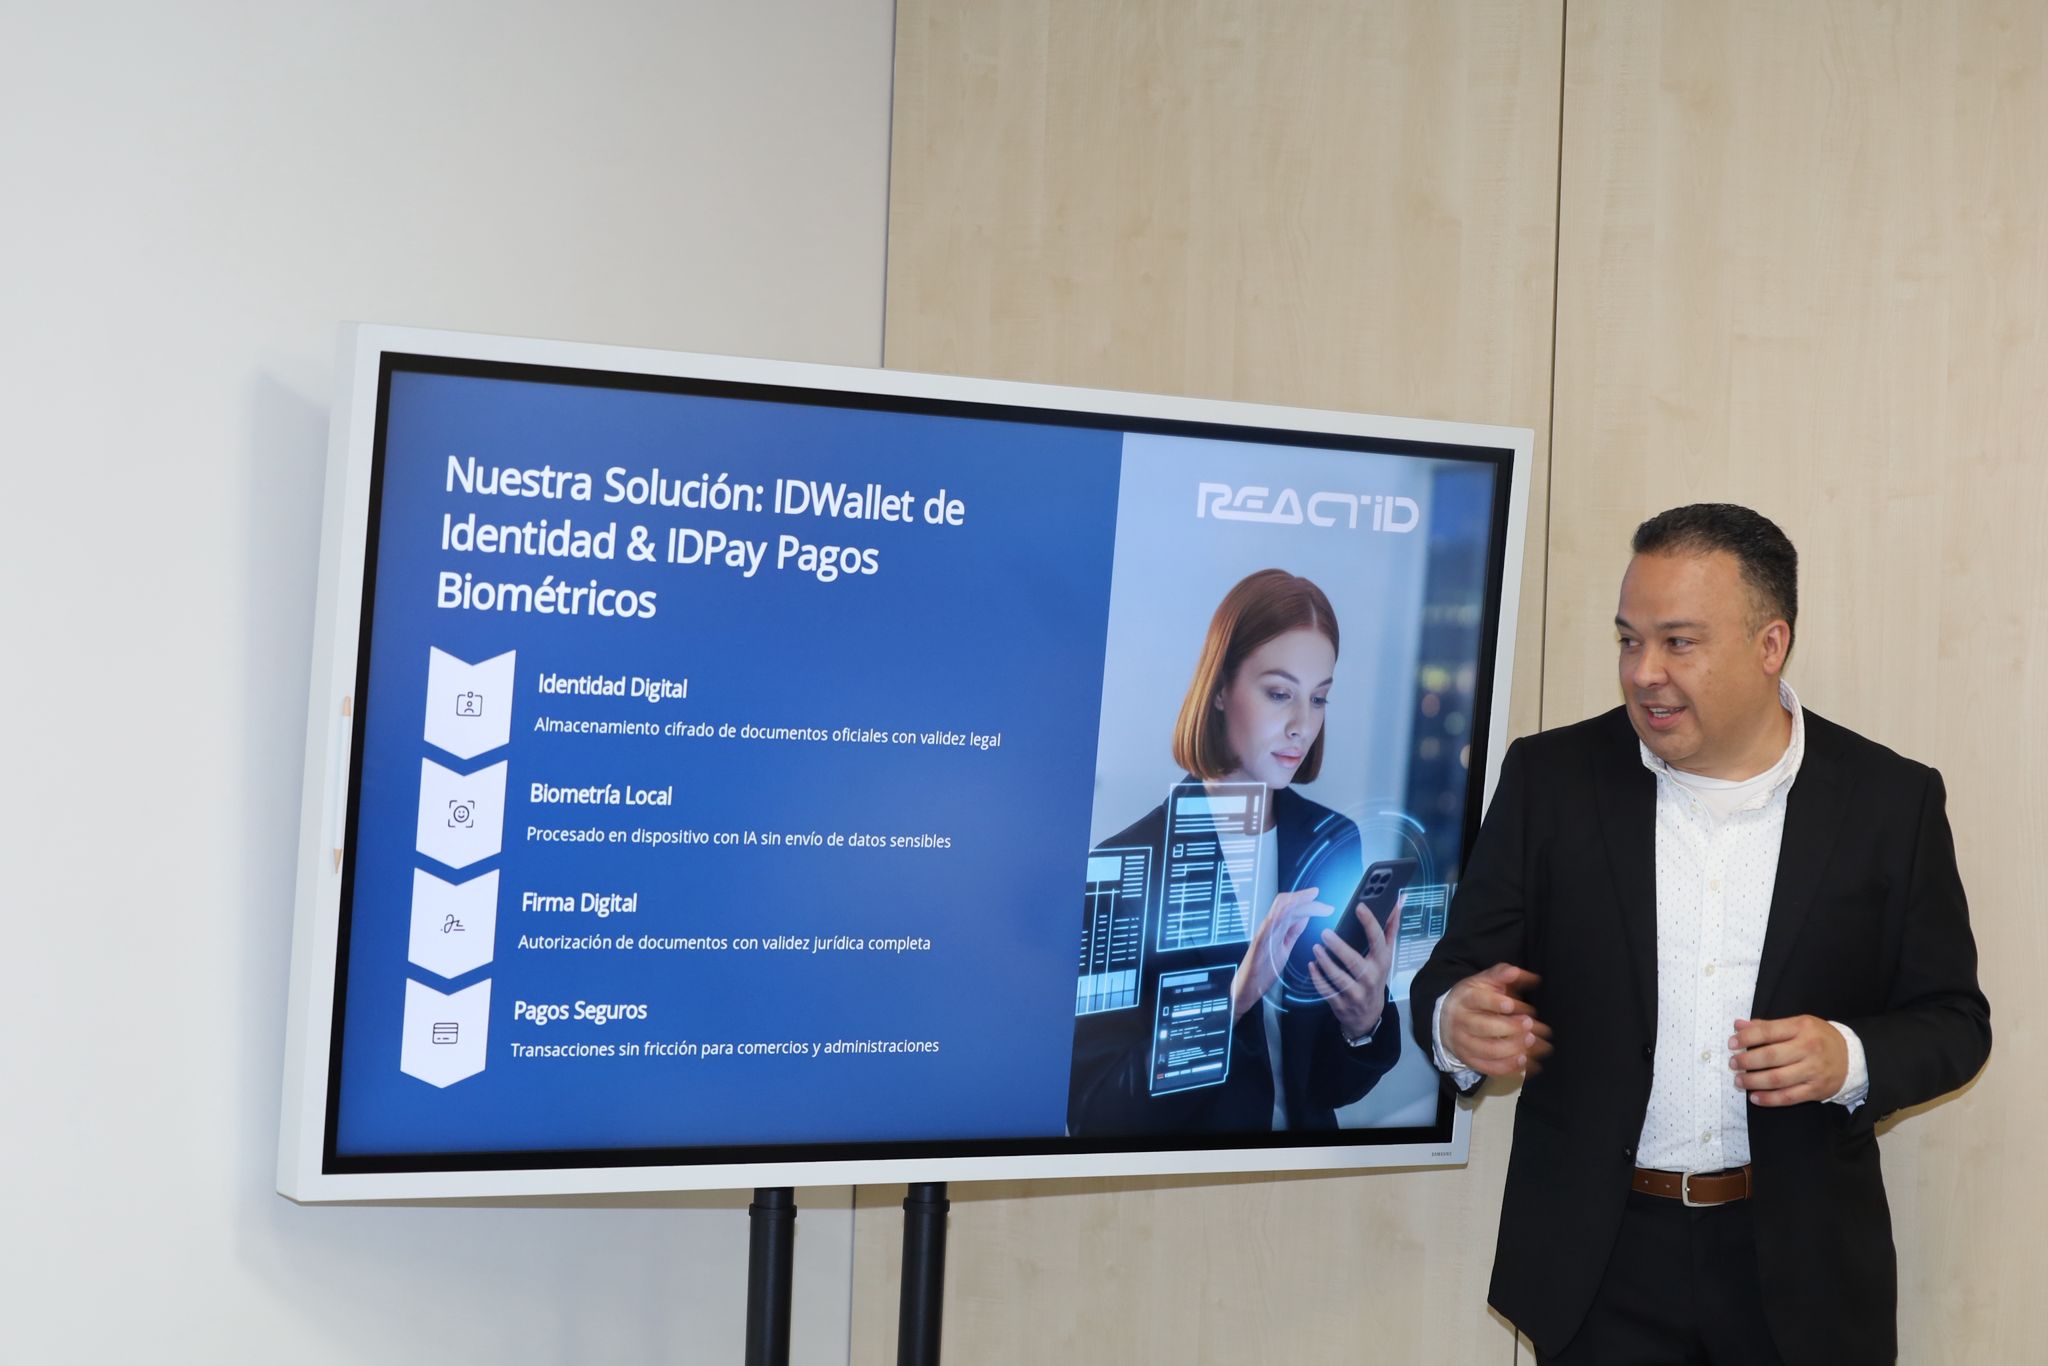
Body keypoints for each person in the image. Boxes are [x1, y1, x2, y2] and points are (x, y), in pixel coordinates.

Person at [1412, 505, 1990, 1366]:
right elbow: (1455, 973)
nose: (1644, 673)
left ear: (1770, 644)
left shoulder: (1889, 802)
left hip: (1800, 1267)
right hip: (1600, 1265)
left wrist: (1848, 1057)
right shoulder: (1553, 780)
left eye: (1678, 642)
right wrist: (1454, 1018)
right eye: (1628, 640)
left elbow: (1953, 1021)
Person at [1068, 568, 1403, 1136]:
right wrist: (1234, 1001)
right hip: (1188, 1179)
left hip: (1309, 1174)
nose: (1302, 726)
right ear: (1220, 688)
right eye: (1279, 694)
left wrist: (1363, 1023)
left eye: (1318, 698)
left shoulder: (1331, 840)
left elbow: (1328, 1089)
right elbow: (1096, 1114)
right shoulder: (1126, 866)